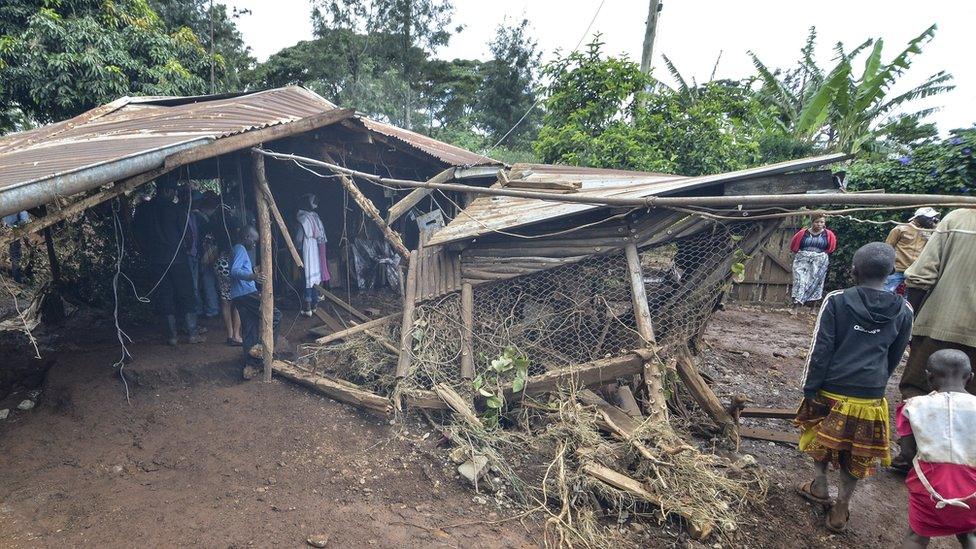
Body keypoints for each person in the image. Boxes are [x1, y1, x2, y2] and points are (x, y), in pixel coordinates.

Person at [794, 242, 914, 533]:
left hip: (832, 388)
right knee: (857, 452)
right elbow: (896, 355)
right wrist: (876, 382)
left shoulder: (836, 301)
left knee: (820, 437)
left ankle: (820, 485)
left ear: (853, 270)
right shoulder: (904, 309)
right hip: (870, 394)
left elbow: (821, 348)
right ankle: (841, 508)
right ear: (890, 273)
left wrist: (810, 387)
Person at [898, 350, 976, 549]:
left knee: (916, 535)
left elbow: (907, 452)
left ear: (928, 376)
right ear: (971, 377)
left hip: (929, 485)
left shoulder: (913, 406)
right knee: (970, 535)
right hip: (972, 488)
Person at [132, 181, 204, 346]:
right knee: (186, 294)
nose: (175, 196)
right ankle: (192, 334)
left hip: (156, 260)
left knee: (165, 295)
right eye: (173, 192)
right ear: (167, 190)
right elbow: (188, 236)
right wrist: (186, 250)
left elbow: (136, 235)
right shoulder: (176, 209)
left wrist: (146, 251)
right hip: (177, 258)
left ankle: (172, 337)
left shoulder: (143, 210)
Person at [229, 224, 280, 380]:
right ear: (247, 237)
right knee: (276, 315)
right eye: (254, 240)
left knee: (250, 328)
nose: (255, 244)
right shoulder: (240, 248)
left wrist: (253, 270)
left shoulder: (238, 249)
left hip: (238, 295)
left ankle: (250, 365)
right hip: (247, 293)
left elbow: (241, 269)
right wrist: (252, 276)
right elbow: (235, 271)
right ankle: (261, 348)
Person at [884, 207, 940, 294]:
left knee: (908, 297)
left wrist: (934, 227)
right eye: (928, 218)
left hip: (914, 272)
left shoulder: (930, 231)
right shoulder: (901, 229)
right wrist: (888, 265)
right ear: (919, 218)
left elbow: (940, 238)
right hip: (897, 269)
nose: (931, 220)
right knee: (885, 292)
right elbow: (888, 247)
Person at [789, 215, 838, 311]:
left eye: (822, 222)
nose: (819, 224)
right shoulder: (803, 233)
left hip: (819, 261)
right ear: (812, 222)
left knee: (816, 283)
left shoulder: (828, 234)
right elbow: (794, 246)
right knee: (800, 281)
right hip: (802, 260)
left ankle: (813, 308)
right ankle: (796, 306)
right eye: (817, 222)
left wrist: (817, 256)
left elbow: (831, 248)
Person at [293, 193, 330, 317]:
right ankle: (314, 305)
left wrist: (296, 249)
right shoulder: (314, 216)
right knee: (314, 276)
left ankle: (307, 307)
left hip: (307, 247)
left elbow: (298, 238)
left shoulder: (302, 218)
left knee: (307, 276)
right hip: (315, 247)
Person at [213, 210, 242, 346]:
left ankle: (229, 335)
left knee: (225, 301)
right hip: (231, 264)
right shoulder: (236, 234)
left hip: (219, 264)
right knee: (238, 301)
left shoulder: (217, 231)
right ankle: (237, 335)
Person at [2, 211, 29, 283]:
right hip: (13, 227)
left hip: (10, 226)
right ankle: (17, 277)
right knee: (16, 254)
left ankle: (17, 275)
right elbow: (23, 217)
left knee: (15, 253)